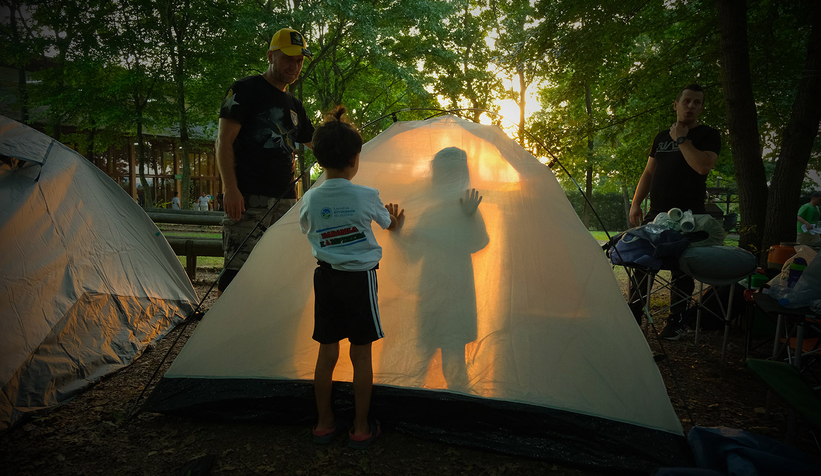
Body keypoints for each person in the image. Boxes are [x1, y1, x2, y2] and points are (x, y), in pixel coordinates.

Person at [299, 106, 404, 448]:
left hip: (326, 279)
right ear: (356, 158)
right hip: (360, 282)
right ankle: (360, 427)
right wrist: (395, 219)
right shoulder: (366, 195)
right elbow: (389, 224)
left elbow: (307, 229)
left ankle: (324, 423)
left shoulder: (311, 198)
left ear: (318, 158)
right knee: (361, 356)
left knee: (326, 353)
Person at [216, 27, 315, 294]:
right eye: (288, 58)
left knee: (280, 273)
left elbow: (319, 145)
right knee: (237, 275)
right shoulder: (244, 90)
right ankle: (226, 333)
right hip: (247, 199)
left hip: (286, 203)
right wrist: (231, 189)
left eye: (299, 60)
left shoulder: (295, 105)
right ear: (270, 56)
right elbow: (223, 142)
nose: (294, 66)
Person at [627, 83, 721, 340]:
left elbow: (702, 167)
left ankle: (676, 321)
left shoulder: (708, 135)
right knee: (641, 262)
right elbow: (649, 172)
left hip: (691, 216)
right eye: (687, 101)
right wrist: (636, 203)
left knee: (683, 269)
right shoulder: (660, 137)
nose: (691, 106)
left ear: (701, 108)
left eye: (697, 102)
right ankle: (634, 314)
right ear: (676, 105)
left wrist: (681, 139)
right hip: (656, 213)